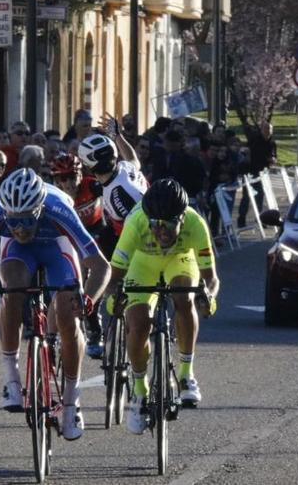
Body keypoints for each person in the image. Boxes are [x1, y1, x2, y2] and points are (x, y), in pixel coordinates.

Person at [0, 169, 111, 441]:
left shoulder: (58, 208)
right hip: (19, 254)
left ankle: (70, 402)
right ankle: (12, 380)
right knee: (12, 291)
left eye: (27, 220)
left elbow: (101, 266)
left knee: (68, 315)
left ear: (39, 209)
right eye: (13, 222)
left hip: (57, 245)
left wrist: (88, 298)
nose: (19, 228)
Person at [104, 179, 220, 434]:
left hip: (179, 260)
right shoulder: (136, 223)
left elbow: (210, 278)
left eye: (168, 224)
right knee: (138, 322)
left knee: (184, 297)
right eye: (155, 224)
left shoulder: (195, 223)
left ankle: (186, 374)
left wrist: (208, 296)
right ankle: (139, 392)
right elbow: (112, 279)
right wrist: (115, 298)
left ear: (181, 218)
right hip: (142, 264)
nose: (161, 231)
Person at [237, 121, 277, 228]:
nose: (268, 132)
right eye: (266, 129)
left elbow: (274, 157)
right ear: (262, 130)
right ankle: (241, 219)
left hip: (263, 173)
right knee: (246, 197)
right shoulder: (255, 140)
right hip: (250, 172)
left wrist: (273, 160)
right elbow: (247, 152)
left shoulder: (272, 143)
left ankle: (260, 219)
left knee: (260, 196)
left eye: (270, 129)